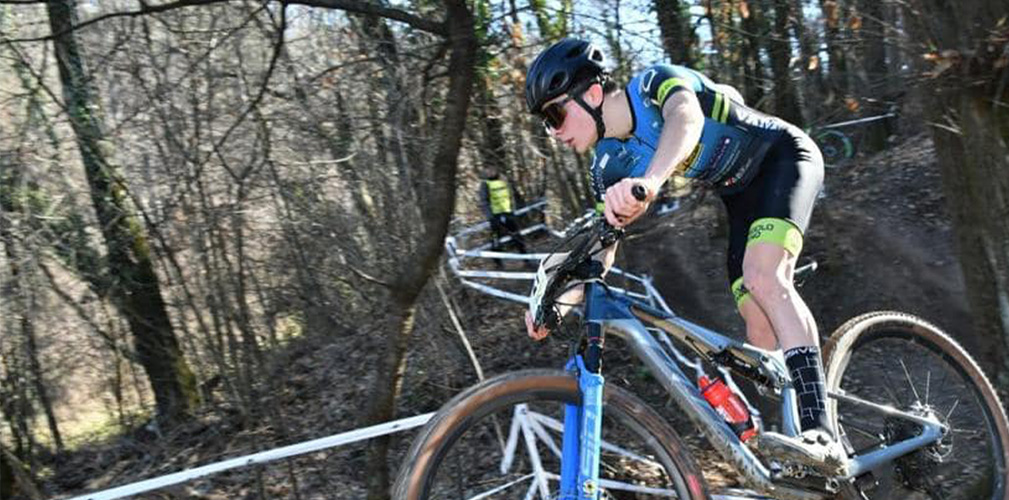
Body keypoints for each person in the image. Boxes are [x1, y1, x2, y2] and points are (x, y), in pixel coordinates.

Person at [522, 38, 844, 475]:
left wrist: (652, 180)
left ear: (592, 93)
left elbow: (686, 120)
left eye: (554, 114)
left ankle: (822, 434)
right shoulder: (607, 165)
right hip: (740, 195)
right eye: (545, 122)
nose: (553, 130)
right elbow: (603, 248)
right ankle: (795, 457)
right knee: (758, 329)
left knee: (764, 278)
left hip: (784, 158)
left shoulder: (654, 83)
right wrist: (557, 304)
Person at [479, 166, 528, 263]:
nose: (491, 172)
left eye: (492, 170)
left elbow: (510, 197)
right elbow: (484, 201)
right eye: (488, 170)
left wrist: (512, 210)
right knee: (496, 239)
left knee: (517, 236)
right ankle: (498, 262)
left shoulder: (503, 181)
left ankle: (526, 259)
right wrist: (490, 216)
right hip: (495, 216)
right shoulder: (485, 184)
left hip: (508, 213)